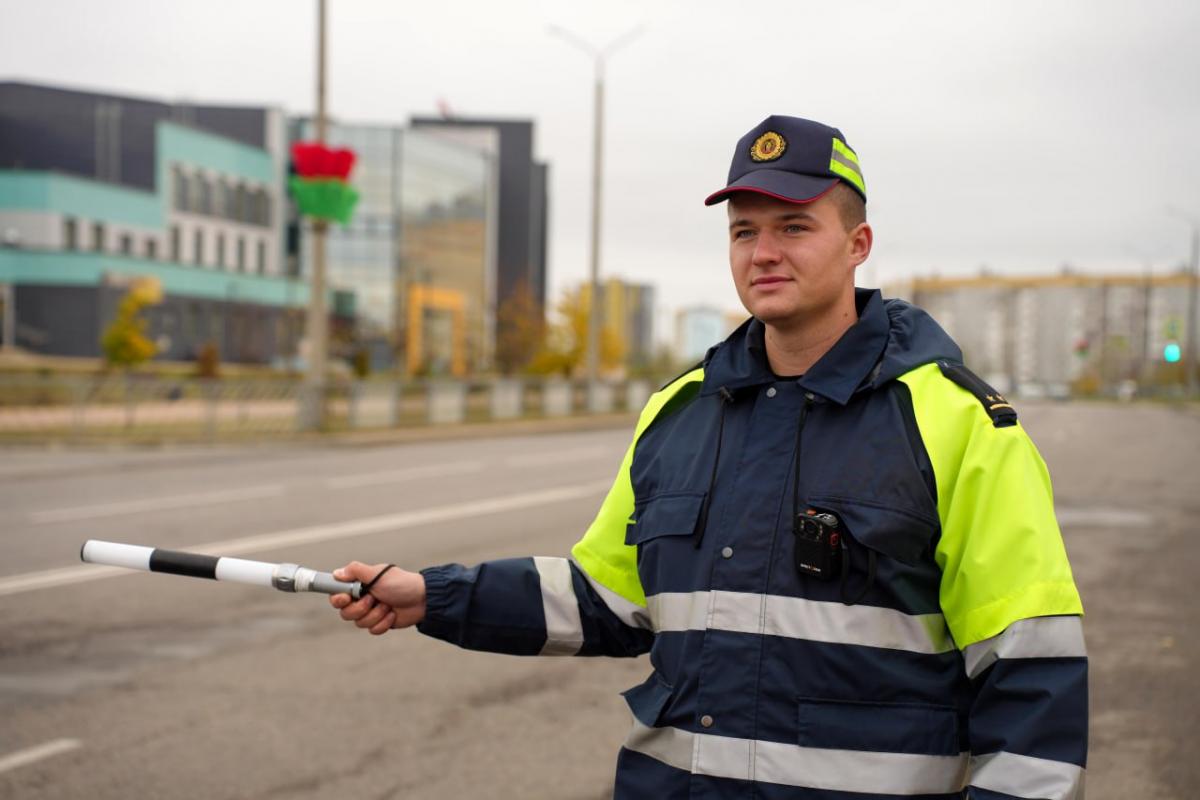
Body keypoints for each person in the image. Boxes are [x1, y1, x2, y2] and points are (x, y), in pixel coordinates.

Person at [330, 115, 1088, 799]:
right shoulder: (682, 410)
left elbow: (1033, 669)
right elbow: (605, 598)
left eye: (794, 228)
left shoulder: (956, 421)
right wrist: (433, 595)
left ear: (857, 244)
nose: (763, 252)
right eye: (743, 231)